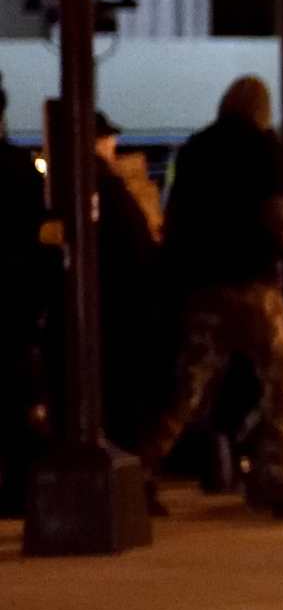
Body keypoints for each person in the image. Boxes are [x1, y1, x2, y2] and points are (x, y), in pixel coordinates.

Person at [141, 76, 283, 517]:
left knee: (187, 386)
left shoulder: (196, 149)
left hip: (204, 286)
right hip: (252, 282)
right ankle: (279, 478)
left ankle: (140, 469)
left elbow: (176, 217)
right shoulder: (264, 152)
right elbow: (279, 217)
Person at [92, 112, 166, 457]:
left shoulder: (91, 182)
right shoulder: (108, 184)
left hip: (112, 302)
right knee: (128, 395)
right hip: (125, 304)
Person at [0, 79, 48, 517]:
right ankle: (15, 490)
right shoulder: (18, 168)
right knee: (14, 397)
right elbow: (41, 232)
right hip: (13, 297)